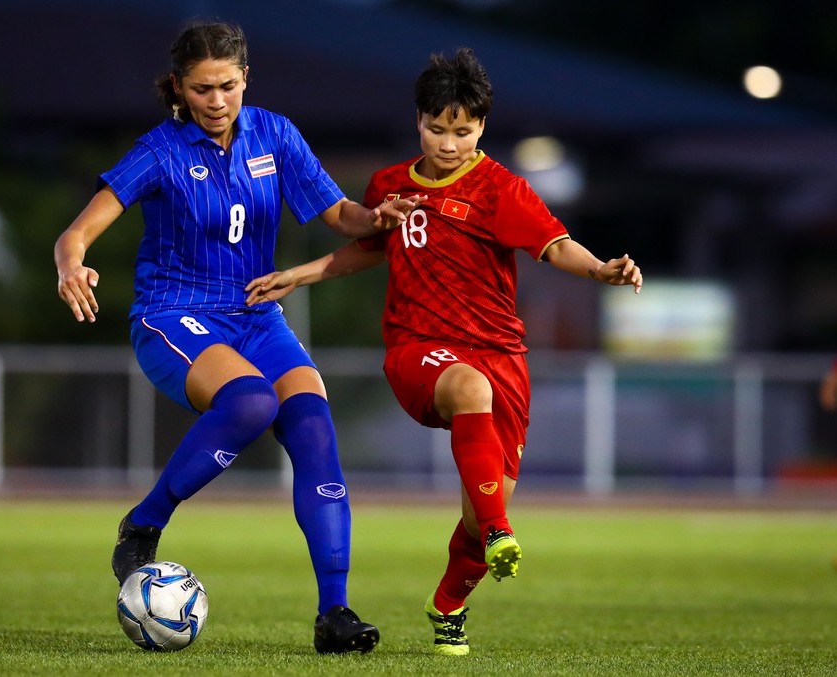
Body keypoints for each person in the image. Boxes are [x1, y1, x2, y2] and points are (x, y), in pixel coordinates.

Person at [245, 47, 643, 655]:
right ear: (418, 122)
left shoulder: (501, 191)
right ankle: (501, 532)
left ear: (481, 126)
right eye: (437, 128)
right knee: (470, 397)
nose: (449, 143)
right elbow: (370, 251)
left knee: (481, 507)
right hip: (418, 348)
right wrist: (297, 275)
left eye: (462, 130)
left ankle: (448, 604)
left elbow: (555, 246)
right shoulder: (390, 186)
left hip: (501, 354)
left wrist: (602, 271)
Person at [54, 21, 422, 654]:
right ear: (179, 88)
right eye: (201, 89)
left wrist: (376, 216)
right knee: (251, 402)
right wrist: (71, 265)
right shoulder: (159, 150)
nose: (217, 100)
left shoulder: (275, 135)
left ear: (245, 77)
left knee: (311, 422)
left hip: (256, 315)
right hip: (172, 315)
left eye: (227, 85)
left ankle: (334, 613)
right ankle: (146, 521)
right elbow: (76, 234)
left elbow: (339, 215)